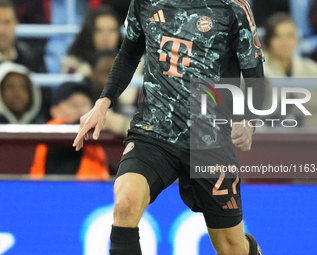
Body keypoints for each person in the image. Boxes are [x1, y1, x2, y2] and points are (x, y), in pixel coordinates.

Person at [74, 0, 265, 254]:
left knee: (232, 248)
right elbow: (129, 53)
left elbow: (254, 73)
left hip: (208, 140)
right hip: (153, 131)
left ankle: (248, 247)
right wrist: (102, 102)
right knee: (126, 204)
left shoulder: (233, 7)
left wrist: (249, 120)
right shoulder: (144, 2)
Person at [262, 12, 317, 129]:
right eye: (278, 36)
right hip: (267, 136)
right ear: (269, 40)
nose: (284, 42)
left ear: (296, 39)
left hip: (306, 137)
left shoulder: (312, 70)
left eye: (289, 36)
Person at [30, 82, 109, 180]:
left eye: (85, 105)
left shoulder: (96, 135)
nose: (81, 111)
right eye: (73, 105)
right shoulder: (50, 133)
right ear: (54, 110)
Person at [61, 5, 123, 77]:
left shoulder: (131, 61)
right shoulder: (72, 62)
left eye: (111, 30)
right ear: (89, 33)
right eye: (99, 30)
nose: (106, 37)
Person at [0, 0, 47, 73]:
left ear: (15, 24)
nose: (2, 30)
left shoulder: (33, 58)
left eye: (7, 22)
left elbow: (43, 84)